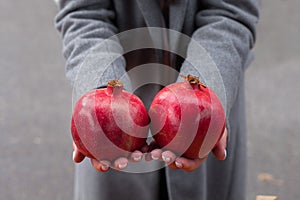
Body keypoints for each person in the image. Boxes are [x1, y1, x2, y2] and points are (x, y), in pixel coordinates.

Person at [54, 0, 259, 199]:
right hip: (115, 113)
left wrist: (205, 90)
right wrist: (100, 91)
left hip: (207, 102)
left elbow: (231, 13)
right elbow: (83, 13)